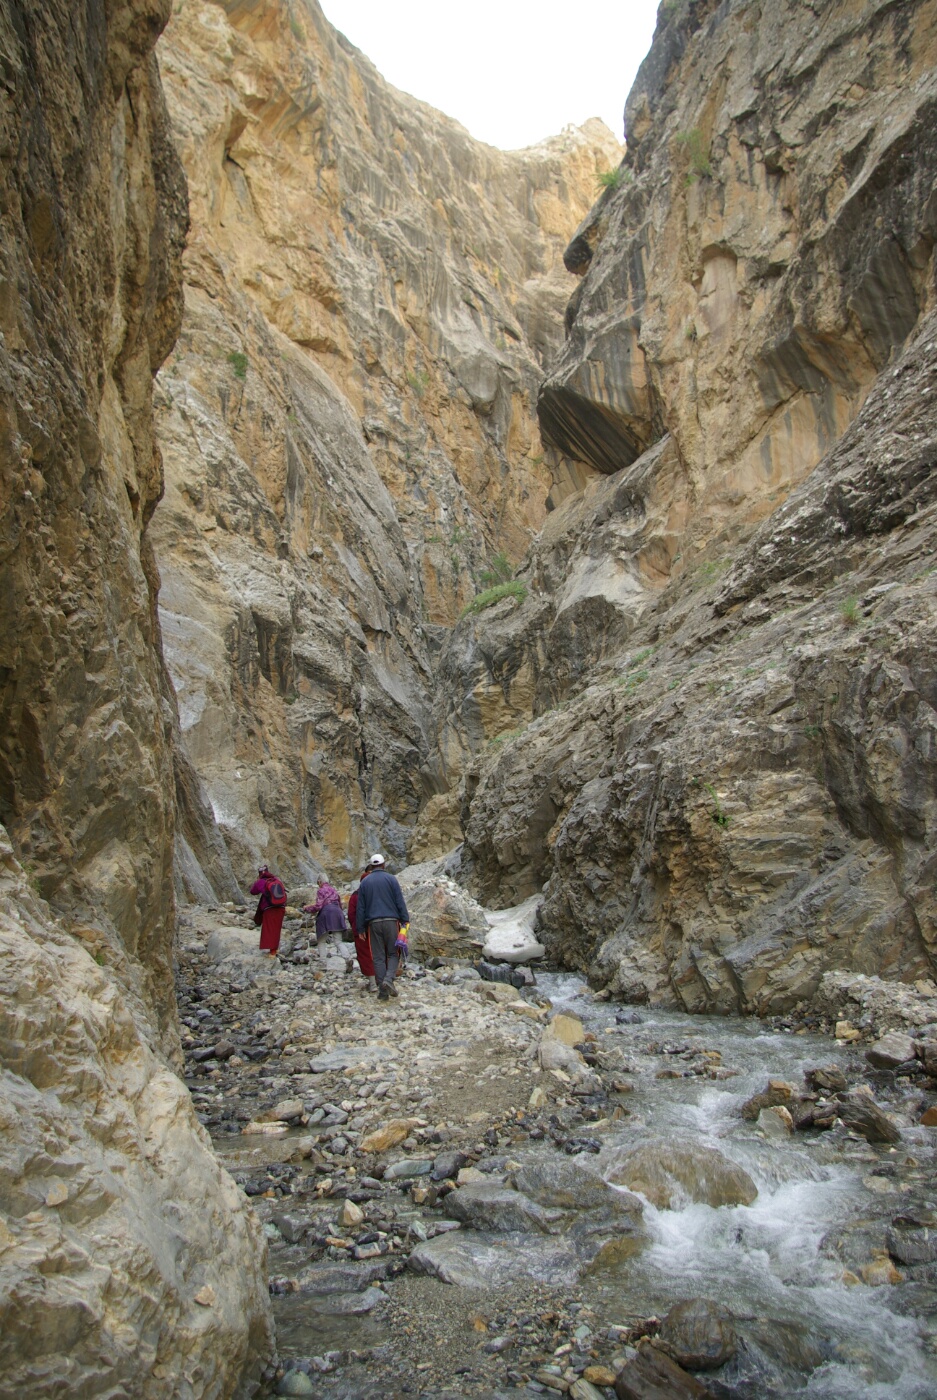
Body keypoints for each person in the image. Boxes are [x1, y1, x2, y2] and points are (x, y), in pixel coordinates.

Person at [355, 853, 409, 1001]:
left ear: (371, 866)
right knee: (393, 953)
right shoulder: (391, 879)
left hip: (373, 924)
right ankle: (388, 980)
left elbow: (361, 907)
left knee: (377, 957)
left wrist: (360, 928)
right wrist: (405, 920)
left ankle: (383, 991)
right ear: (384, 865)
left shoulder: (365, 883)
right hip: (392, 921)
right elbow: (399, 901)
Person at [303, 876, 348, 958]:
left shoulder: (321, 891)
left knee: (321, 940)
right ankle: (347, 958)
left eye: (318, 883)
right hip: (338, 913)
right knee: (338, 941)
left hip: (326, 914)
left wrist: (307, 908)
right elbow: (340, 904)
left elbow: (318, 906)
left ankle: (323, 961)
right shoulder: (334, 890)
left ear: (320, 882)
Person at [347, 869, 377, 990]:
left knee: (365, 955)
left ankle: (373, 983)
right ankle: (383, 980)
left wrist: (356, 927)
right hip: (376, 928)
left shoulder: (355, 896)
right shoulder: (376, 894)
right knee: (379, 953)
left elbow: (351, 914)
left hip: (361, 931)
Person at [250, 865, 287, 956]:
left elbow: (253, 892)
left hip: (269, 907)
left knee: (269, 929)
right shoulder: (277, 880)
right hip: (281, 906)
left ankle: (272, 952)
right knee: (276, 928)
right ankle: (275, 948)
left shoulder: (261, 882)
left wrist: (257, 881)